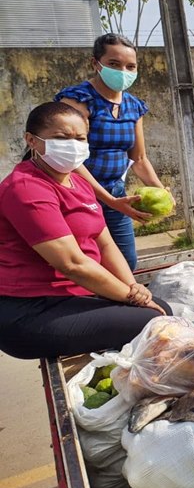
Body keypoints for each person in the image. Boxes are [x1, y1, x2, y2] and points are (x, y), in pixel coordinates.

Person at [0, 102, 171, 360]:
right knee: (154, 319)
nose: (72, 144)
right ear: (31, 141)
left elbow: (105, 244)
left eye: (80, 138)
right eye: (61, 137)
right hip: (30, 310)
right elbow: (73, 264)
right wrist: (133, 298)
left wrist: (134, 288)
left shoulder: (78, 182)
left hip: (73, 296)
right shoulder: (26, 187)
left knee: (160, 310)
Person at [56, 33, 171, 271]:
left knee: (126, 261)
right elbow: (70, 159)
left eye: (131, 66)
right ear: (95, 63)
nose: (123, 72)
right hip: (77, 194)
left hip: (115, 192)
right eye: (114, 64)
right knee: (86, 263)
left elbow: (138, 159)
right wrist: (109, 201)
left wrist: (162, 192)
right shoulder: (78, 101)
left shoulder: (133, 106)